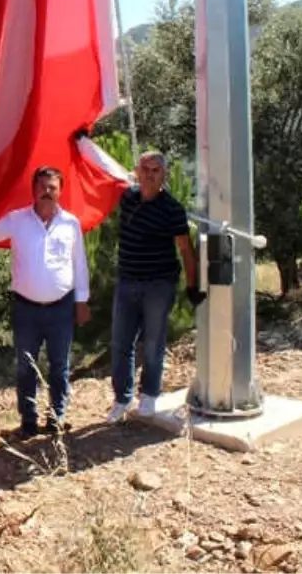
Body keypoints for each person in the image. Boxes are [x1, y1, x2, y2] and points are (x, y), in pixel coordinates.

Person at [0, 166, 90, 438]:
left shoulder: (70, 224)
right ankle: (29, 420)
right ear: (33, 190)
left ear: (60, 191)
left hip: (61, 307)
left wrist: (82, 301)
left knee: (60, 366)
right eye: (42, 187)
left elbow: (79, 264)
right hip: (26, 308)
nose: (47, 192)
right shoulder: (16, 220)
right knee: (25, 365)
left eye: (52, 187)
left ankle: (57, 416)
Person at [106, 151, 204, 422]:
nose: (149, 175)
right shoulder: (128, 198)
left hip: (158, 285)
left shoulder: (172, 209)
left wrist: (193, 285)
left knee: (152, 342)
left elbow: (185, 249)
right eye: (145, 169)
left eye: (155, 170)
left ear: (164, 175)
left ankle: (149, 395)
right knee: (121, 343)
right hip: (127, 282)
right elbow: (105, 168)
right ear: (137, 171)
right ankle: (122, 399)